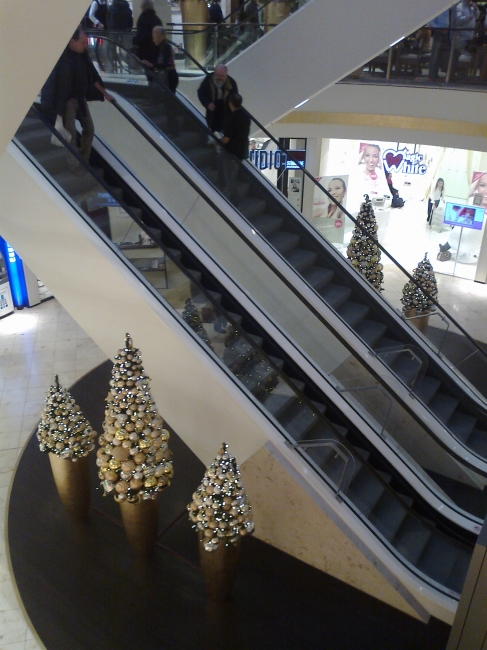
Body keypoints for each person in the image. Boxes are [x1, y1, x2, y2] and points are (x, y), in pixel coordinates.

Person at [40, 29, 114, 173]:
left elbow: (92, 77)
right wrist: (49, 106)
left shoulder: (83, 56)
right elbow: (53, 83)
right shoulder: (62, 59)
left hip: (80, 99)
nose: (85, 45)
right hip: (67, 102)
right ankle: (75, 165)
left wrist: (105, 94)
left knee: (89, 129)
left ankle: (83, 160)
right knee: (71, 134)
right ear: (71, 42)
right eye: (82, 43)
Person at [141, 27, 179, 135]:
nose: (153, 40)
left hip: (170, 78)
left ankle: (174, 130)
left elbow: (165, 64)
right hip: (170, 77)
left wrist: (152, 65)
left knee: (170, 105)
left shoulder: (165, 47)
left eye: (155, 37)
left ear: (160, 36)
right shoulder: (163, 47)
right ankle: (173, 129)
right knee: (169, 105)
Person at [217, 93, 251, 203]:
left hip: (231, 151)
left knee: (230, 177)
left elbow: (226, 139)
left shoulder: (232, 119)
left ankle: (235, 201)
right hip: (241, 150)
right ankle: (221, 184)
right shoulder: (246, 115)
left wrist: (218, 141)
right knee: (220, 160)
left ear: (230, 103)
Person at [197, 64, 238, 133]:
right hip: (212, 114)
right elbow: (201, 92)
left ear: (226, 75)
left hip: (225, 115)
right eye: (218, 75)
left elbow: (235, 99)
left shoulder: (231, 83)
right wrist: (207, 104)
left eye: (222, 76)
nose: (220, 78)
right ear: (214, 73)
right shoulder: (209, 79)